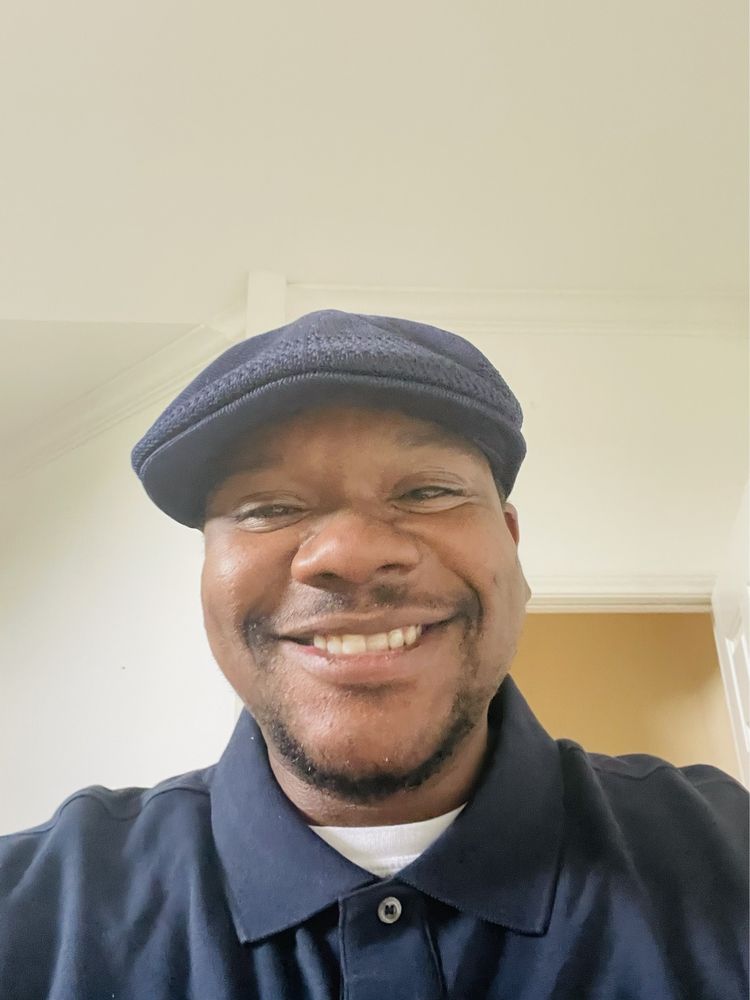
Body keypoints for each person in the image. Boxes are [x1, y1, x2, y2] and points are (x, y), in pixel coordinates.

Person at [0, 309, 747, 999]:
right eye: (268, 507)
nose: (350, 554)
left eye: (427, 492)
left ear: (512, 547)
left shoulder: (729, 855)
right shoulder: (31, 911)